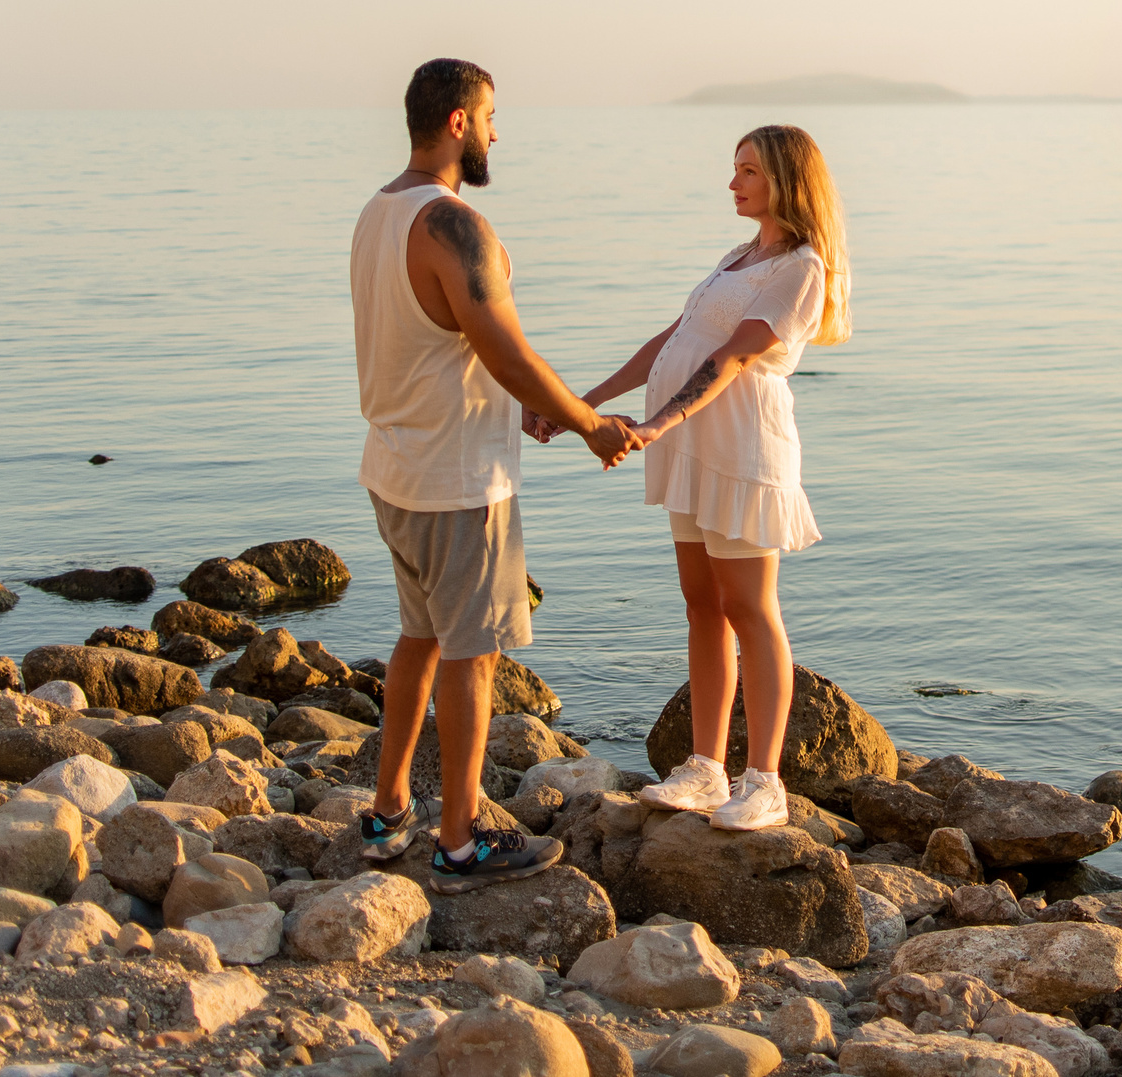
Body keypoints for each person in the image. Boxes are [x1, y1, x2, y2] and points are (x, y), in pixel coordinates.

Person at [349, 57, 642, 889]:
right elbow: (502, 346)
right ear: (456, 122)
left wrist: (521, 404)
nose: (496, 130)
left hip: (397, 465)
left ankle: (388, 810)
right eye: (489, 114)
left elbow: (435, 346)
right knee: (472, 656)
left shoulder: (378, 213)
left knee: (419, 637)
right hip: (458, 481)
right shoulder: (452, 225)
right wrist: (591, 424)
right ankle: (460, 839)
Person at [549, 124, 851, 833]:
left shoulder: (801, 267)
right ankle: (706, 767)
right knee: (701, 603)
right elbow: (673, 341)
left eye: (748, 170)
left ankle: (765, 780)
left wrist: (659, 423)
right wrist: (581, 405)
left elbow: (735, 358)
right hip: (692, 445)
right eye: (734, 168)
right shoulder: (740, 256)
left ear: (785, 179)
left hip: (741, 446)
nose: (733, 182)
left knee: (751, 608)